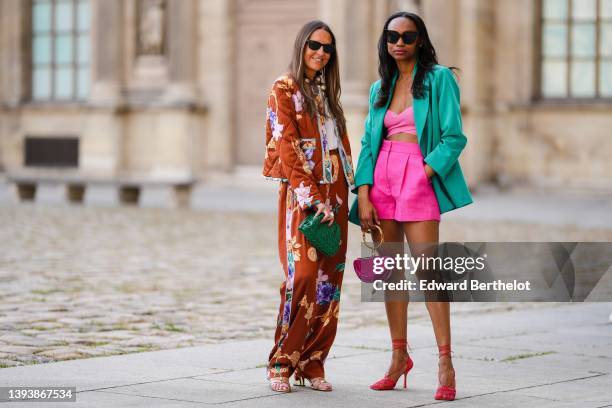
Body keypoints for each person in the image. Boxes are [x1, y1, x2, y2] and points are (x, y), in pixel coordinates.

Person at [348, 11, 474, 401]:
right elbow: (369, 143)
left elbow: (454, 137)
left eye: (408, 35)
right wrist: (364, 192)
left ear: (420, 39)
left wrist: (425, 171)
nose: (399, 42)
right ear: (385, 41)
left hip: (419, 178)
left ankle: (445, 360)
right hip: (381, 179)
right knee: (390, 274)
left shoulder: (439, 79)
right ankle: (398, 356)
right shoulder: (378, 88)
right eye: (392, 36)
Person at [262, 20, 356, 393]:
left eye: (328, 48)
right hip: (305, 196)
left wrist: (356, 193)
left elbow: (343, 147)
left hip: (337, 192)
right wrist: (314, 199)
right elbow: (286, 146)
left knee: (329, 281)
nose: (320, 52)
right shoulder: (283, 89)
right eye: (314, 45)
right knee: (302, 276)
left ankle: (314, 360)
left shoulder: (328, 94)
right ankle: (282, 361)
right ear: (302, 46)